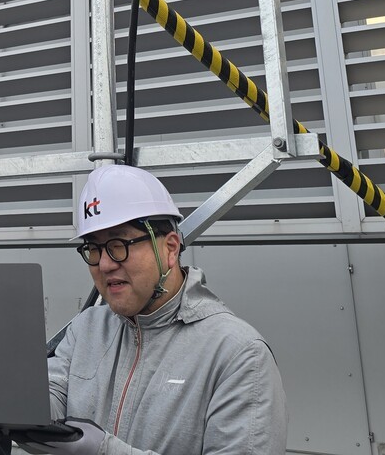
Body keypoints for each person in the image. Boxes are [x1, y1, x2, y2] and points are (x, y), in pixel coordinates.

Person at [21, 165, 287, 455]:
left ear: (170, 248)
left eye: (118, 244)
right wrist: (7, 412)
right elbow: (48, 398)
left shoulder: (238, 354)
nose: (105, 264)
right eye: (94, 248)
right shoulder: (86, 328)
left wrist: (106, 452)